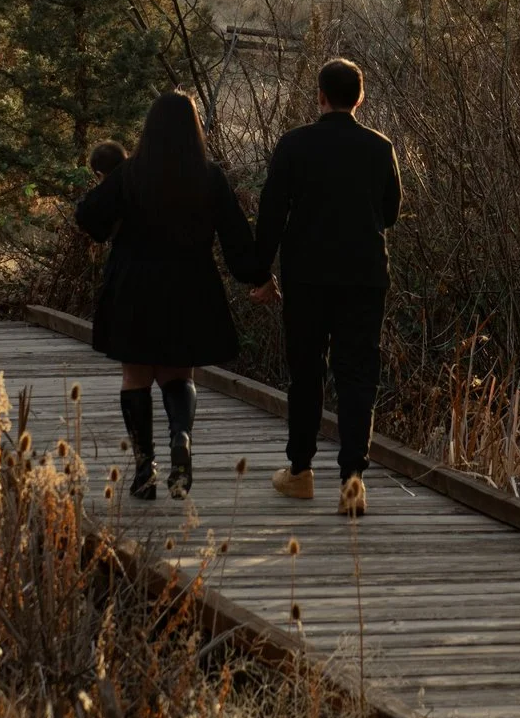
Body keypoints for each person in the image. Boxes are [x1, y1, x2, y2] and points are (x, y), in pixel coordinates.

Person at [76, 92, 259, 500]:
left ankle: (144, 468)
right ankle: (181, 438)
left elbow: (89, 217)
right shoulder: (209, 176)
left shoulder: (130, 174)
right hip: (190, 286)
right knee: (179, 375)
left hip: (133, 285)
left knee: (135, 376)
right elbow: (237, 241)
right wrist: (258, 278)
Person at [248, 56, 401, 517]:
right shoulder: (380, 147)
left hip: (307, 277)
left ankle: (300, 472)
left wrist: (261, 274)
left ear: (319, 96)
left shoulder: (294, 145)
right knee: (357, 375)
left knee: (306, 373)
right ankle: (352, 481)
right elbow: (390, 213)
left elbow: (271, 215)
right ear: (360, 97)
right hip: (364, 277)